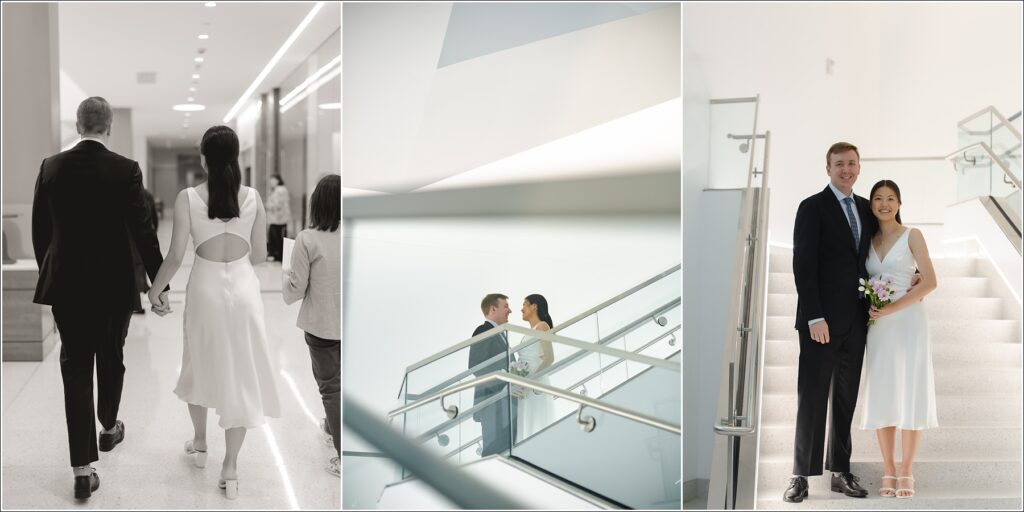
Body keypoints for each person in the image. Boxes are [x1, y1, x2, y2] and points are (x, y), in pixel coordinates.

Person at [31, 96, 166, 500]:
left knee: (74, 368)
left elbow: (42, 231)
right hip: (114, 287)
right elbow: (143, 230)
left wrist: (50, 272)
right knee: (112, 356)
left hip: (67, 287)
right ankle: (108, 427)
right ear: (109, 127)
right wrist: (158, 284)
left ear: (77, 125)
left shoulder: (51, 167)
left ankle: (82, 468)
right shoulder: (125, 169)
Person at [147, 125, 281, 500]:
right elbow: (258, 254)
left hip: (204, 287)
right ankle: (231, 467)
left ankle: (201, 444)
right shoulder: (253, 196)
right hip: (243, 288)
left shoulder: (188, 197)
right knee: (240, 371)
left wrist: (154, 291)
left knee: (199, 363)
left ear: (204, 158)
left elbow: (175, 257)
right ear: (236, 157)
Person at [785, 142, 876, 503]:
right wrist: (814, 315)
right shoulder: (812, 208)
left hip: (857, 320)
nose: (846, 169)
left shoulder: (868, 208)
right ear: (828, 168)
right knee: (812, 398)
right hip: (820, 322)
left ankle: (840, 471)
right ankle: (800, 476)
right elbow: (803, 265)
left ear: (859, 167)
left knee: (845, 398)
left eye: (852, 163)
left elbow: (881, 252)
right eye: (839, 164)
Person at [859, 180, 938, 499]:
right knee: (883, 393)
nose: (884, 204)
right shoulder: (865, 240)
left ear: (900, 203)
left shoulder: (913, 235)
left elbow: (930, 282)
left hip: (907, 323)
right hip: (878, 327)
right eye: (878, 198)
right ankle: (888, 469)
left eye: (890, 199)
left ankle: (906, 469)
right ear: (871, 204)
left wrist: (891, 307)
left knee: (910, 392)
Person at [282, 174, 341, 477]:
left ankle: (344, 456)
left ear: (316, 204)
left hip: (322, 326)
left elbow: (295, 289)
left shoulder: (307, 239)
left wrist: (285, 277)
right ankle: (332, 426)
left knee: (331, 388)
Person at [468, 294, 518, 457]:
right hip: (492, 400)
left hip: (505, 401)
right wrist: (505, 381)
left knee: (507, 446)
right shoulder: (482, 331)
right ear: (493, 309)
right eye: (506, 306)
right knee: (493, 449)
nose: (509, 310)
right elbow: (476, 366)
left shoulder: (501, 334)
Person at [516, 294, 556, 441]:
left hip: (535, 384)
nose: (521, 309)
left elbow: (549, 357)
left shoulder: (542, 326)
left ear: (534, 306)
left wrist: (530, 381)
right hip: (527, 385)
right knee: (527, 423)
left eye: (525, 304)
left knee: (536, 423)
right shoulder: (531, 331)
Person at [129, 188, 160, 314]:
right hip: (144, 234)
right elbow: (154, 218)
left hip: (131, 236)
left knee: (134, 267)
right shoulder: (148, 195)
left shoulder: (128, 193)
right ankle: (139, 299)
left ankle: (137, 303)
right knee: (140, 266)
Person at [266, 173, 291, 262]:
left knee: (277, 238)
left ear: (277, 180)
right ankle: (277, 255)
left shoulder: (279, 190)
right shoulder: (280, 189)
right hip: (278, 219)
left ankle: (277, 255)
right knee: (278, 238)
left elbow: (277, 204)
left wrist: (268, 206)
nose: (271, 183)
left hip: (278, 219)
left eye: (272, 181)